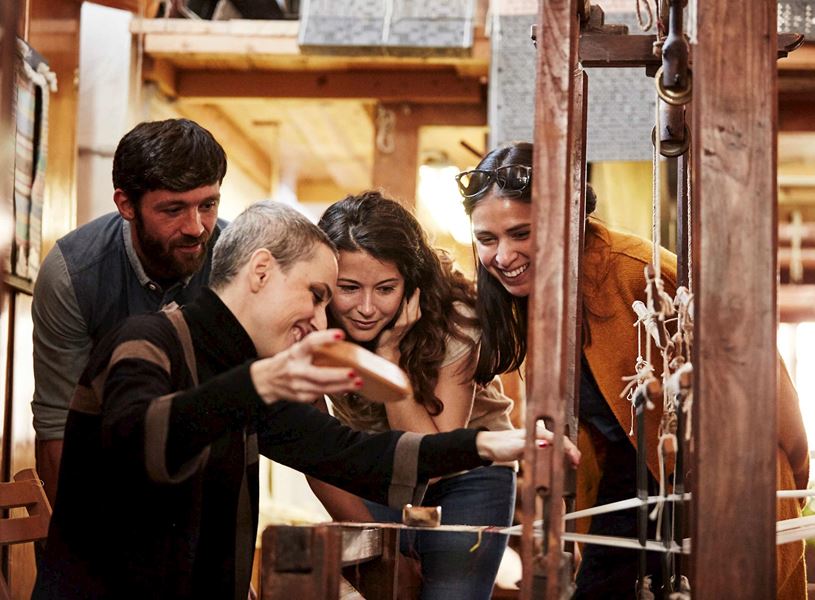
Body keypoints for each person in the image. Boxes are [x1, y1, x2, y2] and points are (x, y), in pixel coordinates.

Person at [33, 201, 537, 600]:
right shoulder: (145, 339)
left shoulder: (249, 373)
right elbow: (141, 442)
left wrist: (490, 447)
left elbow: (351, 455)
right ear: (260, 272)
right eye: (318, 294)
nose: (323, 320)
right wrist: (260, 384)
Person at [458, 142, 810, 599]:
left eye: (520, 233)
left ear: (566, 221)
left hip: (724, 487)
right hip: (627, 495)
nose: (503, 256)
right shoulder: (533, 302)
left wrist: (789, 487)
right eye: (487, 239)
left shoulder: (636, 272)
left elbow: (766, 383)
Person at [308, 191, 528, 600]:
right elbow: (313, 453)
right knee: (384, 590)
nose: (367, 308)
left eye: (386, 288)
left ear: (411, 282)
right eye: (349, 288)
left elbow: (433, 460)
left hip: (467, 475)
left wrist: (390, 360)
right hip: (372, 470)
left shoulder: (458, 318)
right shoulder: (306, 321)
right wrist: (381, 550)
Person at [31, 118, 228, 506]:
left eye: (208, 205)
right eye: (173, 209)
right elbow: (58, 430)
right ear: (126, 204)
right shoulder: (73, 274)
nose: (196, 227)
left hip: (211, 478)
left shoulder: (237, 261)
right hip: (102, 478)